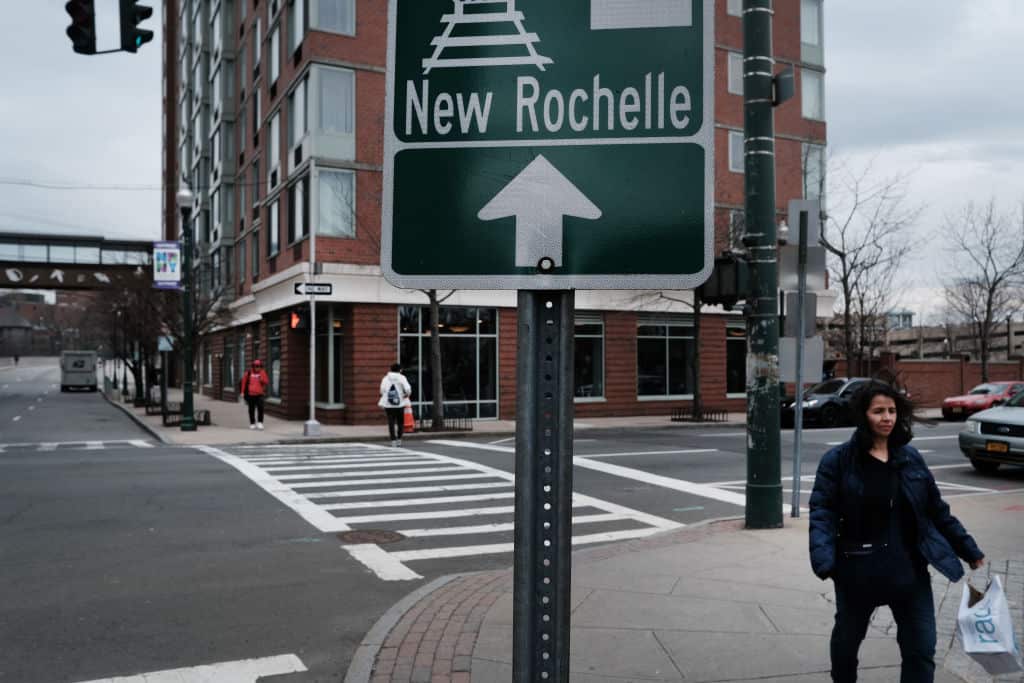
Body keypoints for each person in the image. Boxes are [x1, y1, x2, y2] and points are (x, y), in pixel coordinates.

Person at [809, 381, 985, 682]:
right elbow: (823, 512)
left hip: (909, 571)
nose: (887, 418)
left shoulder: (909, 457)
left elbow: (935, 510)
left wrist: (968, 549)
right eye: (878, 411)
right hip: (858, 571)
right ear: (863, 415)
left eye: (891, 411)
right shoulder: (838, 461)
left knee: (921, 648)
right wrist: (825, 559)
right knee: (846, 645)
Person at [378, 363, 411, 447]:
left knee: (391, 422)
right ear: (400, 370)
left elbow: (382, 390)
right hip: (400, 404)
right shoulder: (402, 378)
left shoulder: (385, 378)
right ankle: (399, 439)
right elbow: (407, 389)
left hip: (388, 404)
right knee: (400, 422)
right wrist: (405, 395)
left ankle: (393, 440)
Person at [240, 359, 270, 430]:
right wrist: (242, 392)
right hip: (250, 394)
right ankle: (252, 423)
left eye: (259, 366)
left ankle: (260, 422)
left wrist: (261, 378)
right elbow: (243, 382)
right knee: (251, 409)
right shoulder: (248, 373)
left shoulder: (262, 372)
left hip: (259, 394)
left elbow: (266, 381)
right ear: (253, 366)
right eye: (256, 366)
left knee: (261, 408)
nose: (257, 367)